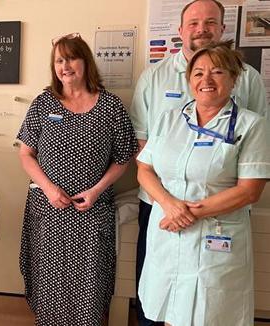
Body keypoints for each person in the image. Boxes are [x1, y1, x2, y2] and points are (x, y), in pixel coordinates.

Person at [129, 1, 268, 324]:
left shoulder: (250, 95)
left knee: (211, 304)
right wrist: (171, 205)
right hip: (161, 208)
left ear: (233, 79)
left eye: (218, 72)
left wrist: (187, 211)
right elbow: (144, 156)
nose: (207, 80)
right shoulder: (159, 87)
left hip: (220, 213)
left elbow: (251, 184)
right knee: (158, 297)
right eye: (193, 23)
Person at [16, 33, 137, 325]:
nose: (65, 66)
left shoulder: (111, 106)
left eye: (71, 58)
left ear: (86, 62)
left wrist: (96, 191)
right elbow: (25, 154)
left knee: (90, 282)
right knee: (49, 280)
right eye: (59, 60)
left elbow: (124, 158)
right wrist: (48, 188)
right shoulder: (45, 103)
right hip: (48, 210)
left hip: (91, 210)